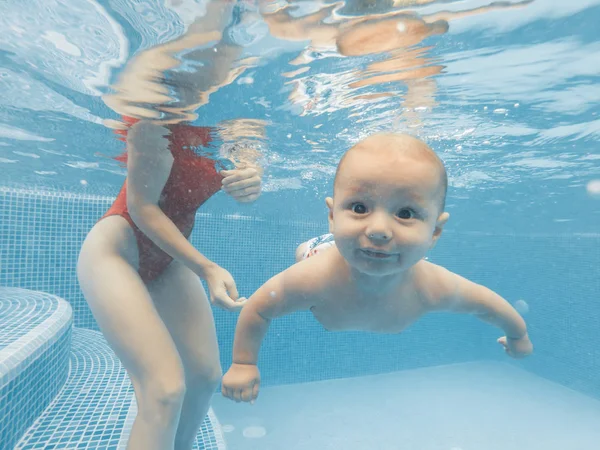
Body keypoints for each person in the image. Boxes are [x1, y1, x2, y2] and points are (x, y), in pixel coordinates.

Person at [221, 133, 533, 404]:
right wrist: (243, 363)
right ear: (332, 215)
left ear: (435, 232)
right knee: (309, 252)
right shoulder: (313, 278)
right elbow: (259, 309)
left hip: (355, 255)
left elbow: (488, 305)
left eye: (406, 213)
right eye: (359, 207)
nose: (379, 229)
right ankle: (314, 243)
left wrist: (517, 334)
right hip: (327, 253)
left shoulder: (433, 285)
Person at [77, 3, 263, 450]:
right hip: (116, 250)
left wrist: (250, 181)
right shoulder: (153, 117)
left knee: (202, 378)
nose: (186, 96)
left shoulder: (237, 123)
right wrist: (207, 268)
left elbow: (248, 167)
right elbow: (142, 208)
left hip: (169, 258)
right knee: (163, 389)